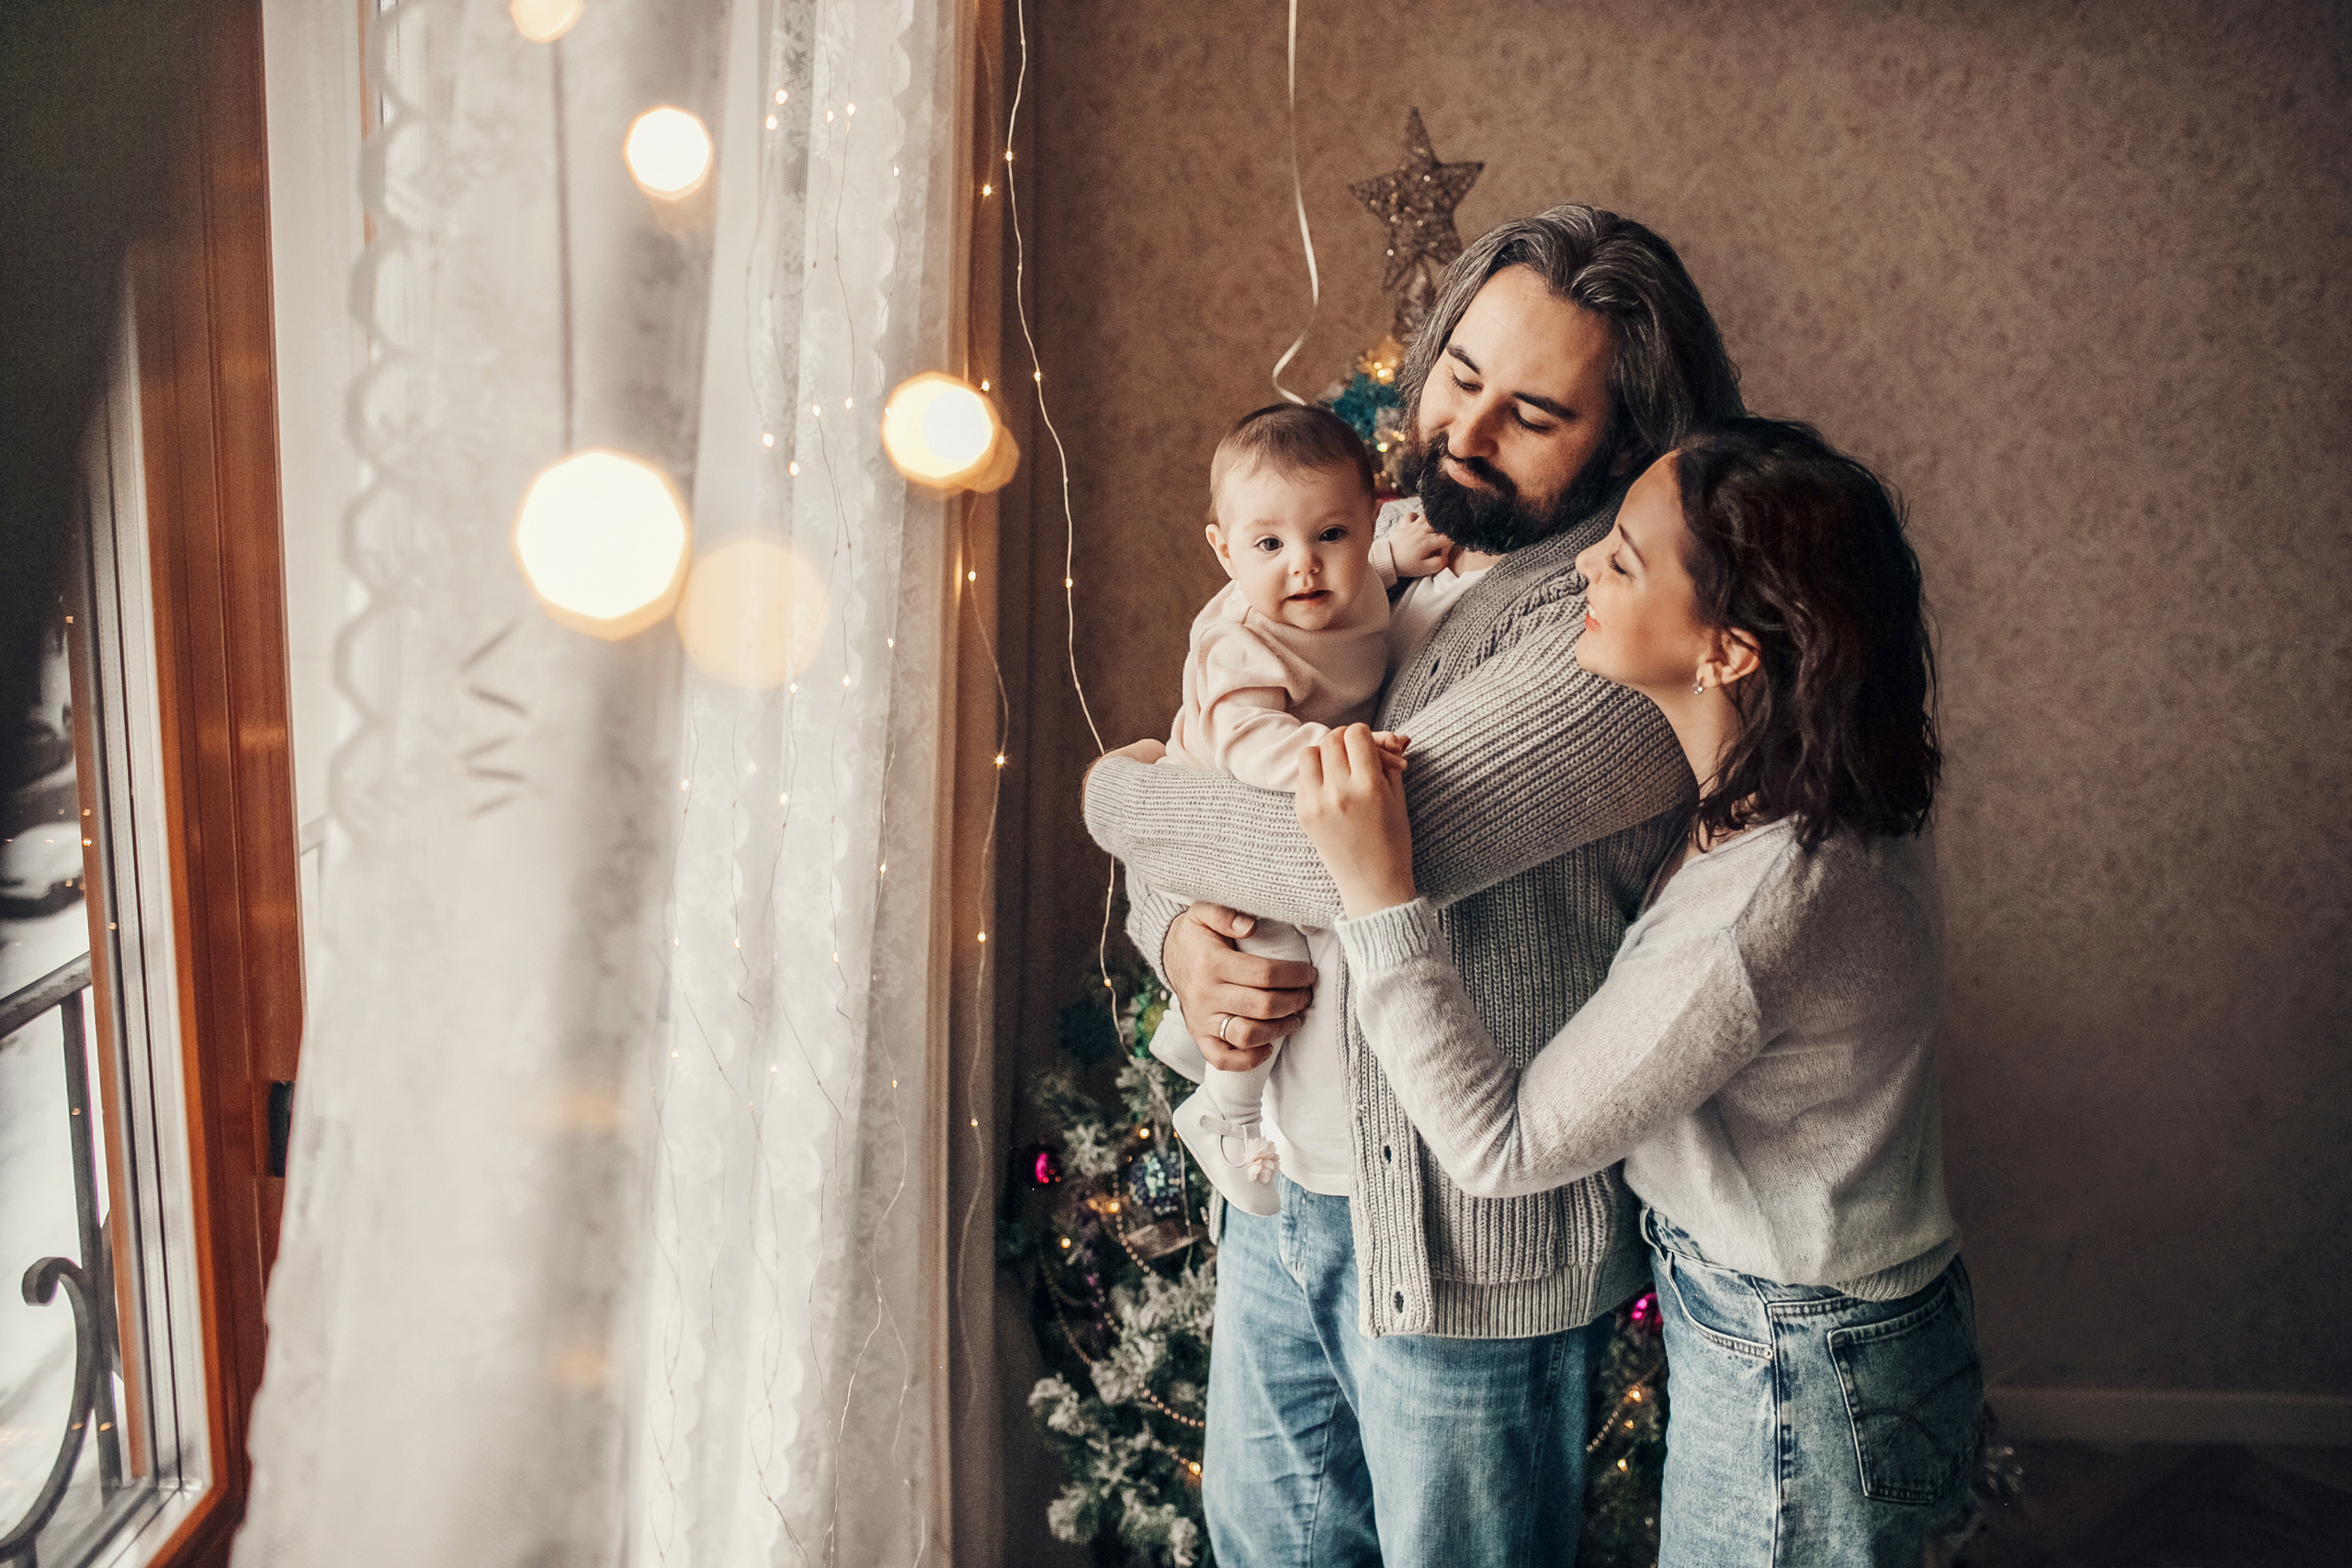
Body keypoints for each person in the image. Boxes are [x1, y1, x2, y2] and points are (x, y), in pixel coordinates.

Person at [1083, 204, 1744, 1567]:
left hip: (1464, 1256)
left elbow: (1339, 849)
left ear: (1624, 447)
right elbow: (1235, 774)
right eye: (1459, 376)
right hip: (1285, 1191)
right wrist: (1176, 943)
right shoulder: (1366, 557)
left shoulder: (1610, 636)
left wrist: (1110, 794)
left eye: (1533, 414)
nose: (1464, 431)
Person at [1295, 418, 1982, 1566]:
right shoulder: (1803, 796)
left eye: (1622, 559)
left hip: (1802, 1367)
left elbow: (1501, 1148)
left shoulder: (1765, 896)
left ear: (1727, 649)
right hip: (1838, 1328)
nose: (1579, 570)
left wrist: (1379, 896)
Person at [1148, 402, 1452, 1213]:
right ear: (1224, 549)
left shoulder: (1349, 582)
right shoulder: (1242, 640)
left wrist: (1392, 555)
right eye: (1268, 545)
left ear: (1368, 518)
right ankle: (1225, 1109)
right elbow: (1248, 742)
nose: (1304, 568)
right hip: (1226, 791)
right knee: (1271, 952)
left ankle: (1206, 1062)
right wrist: (1331, 755)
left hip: (1284, 775)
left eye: (1332, 535)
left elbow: (1359, 579)